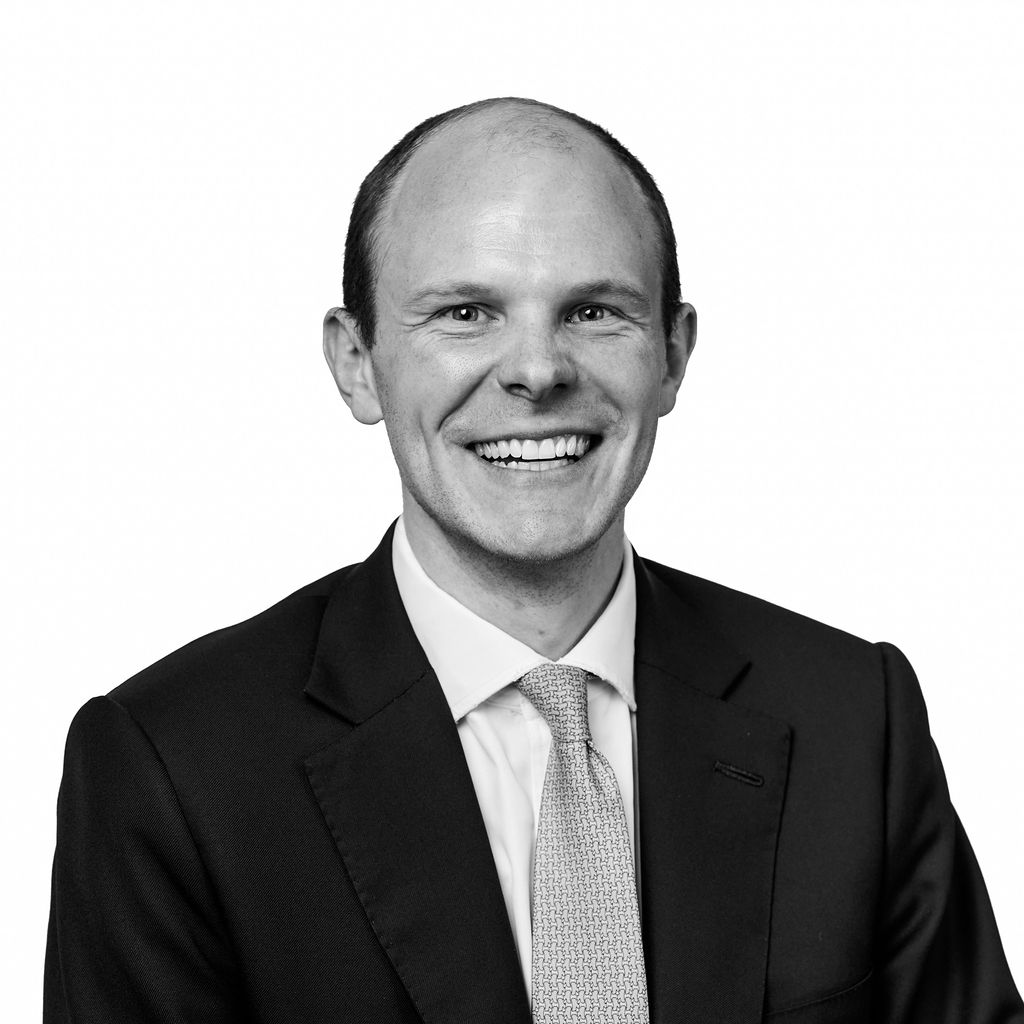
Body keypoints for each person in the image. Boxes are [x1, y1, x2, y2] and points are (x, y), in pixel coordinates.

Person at [44, 97, 1022, 1023]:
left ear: (674, 355)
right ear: (356, 363)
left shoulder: (853, 719)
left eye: (594, 311)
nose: (537, 370)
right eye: (465, 312)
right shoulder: (174, 768)